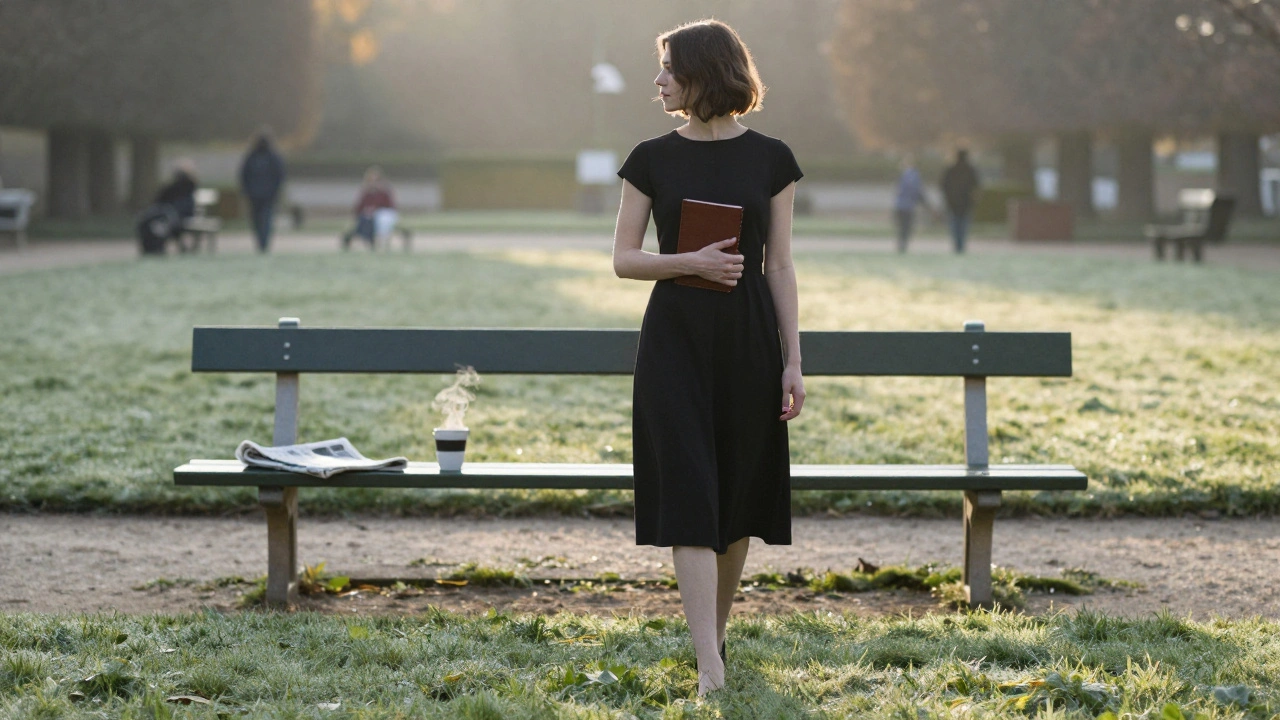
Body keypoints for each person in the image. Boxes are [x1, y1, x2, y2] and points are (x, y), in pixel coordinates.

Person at [613, 19, 804, 697]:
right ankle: (709, 668)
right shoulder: (649, 158)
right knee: (690, 495)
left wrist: (793, 360)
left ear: (704, 73)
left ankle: (713, 641)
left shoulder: (773, 159)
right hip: (674, 345)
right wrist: (688, 261)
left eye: (668, 67)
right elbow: (623, 258)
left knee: (737, 501)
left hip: (750, 344)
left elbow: (780, 265)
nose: (658, 80)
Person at [239, 129, 286, 253]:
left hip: (256, 195)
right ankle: (263, 243)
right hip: (266, 195)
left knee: (258, 220)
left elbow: (244, 176)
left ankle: (261, 243)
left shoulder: (252, 157)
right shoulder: (273, 157)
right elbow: (280, 176)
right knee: (265, 220)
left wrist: (246, 191)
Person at [343, 166, 398, 250]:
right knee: (364, 219)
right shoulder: (366, 193)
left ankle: (364, 237)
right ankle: (364, 237)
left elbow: (388, 205)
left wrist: (373, 210)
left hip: (380, 215)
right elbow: (359, 206)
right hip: (366, 216)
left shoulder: (384, 192)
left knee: (369, 220)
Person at [939, 149, 980, 254]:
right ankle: (961, 245)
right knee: (963, 226)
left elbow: (943, 185)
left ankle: (957, 245)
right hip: (966, 203)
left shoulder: (950, 170)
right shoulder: (970, 170)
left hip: (953, 203)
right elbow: (976, 186)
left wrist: (948, 198)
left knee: (955, 225)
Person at [892, 155, 930, 254]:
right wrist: (925, 204)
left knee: (902, 227)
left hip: (900, 205)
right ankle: (903, 245)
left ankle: (902, 245)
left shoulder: (903, 176)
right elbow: (918, 192)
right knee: (906, 227)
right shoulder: (915, 176)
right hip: (909, 206)